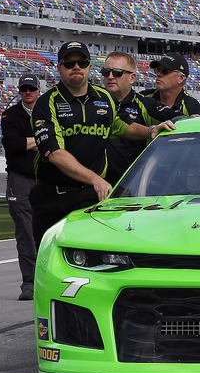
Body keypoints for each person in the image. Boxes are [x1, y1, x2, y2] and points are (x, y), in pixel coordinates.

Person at [29, 41, 175, 248]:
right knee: (47, 260)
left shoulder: (104, 97)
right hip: (53, 196)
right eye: (69, 63)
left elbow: (120, 127)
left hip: (91, 196)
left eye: (82, 62)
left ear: (89, 67)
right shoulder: (47, 102)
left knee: (94, 257)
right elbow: (55, 153)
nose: (76, 67)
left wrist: (150, 130)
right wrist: (96, 179)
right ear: (59, 68)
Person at [100, 51, 177, 184]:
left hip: (130, 188)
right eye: (106, 72)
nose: (111, 76)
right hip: (94, 187)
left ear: (132, 77)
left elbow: (179, 119)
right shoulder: (91, 103)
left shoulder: (145, 104)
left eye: (117, 72)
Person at [0, 73, 40, 300]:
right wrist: (40, 140)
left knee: (47, 232)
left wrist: (29, 142)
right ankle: (29, 284)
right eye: (24, 89)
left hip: (46, 178)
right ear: (20, 91)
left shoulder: (47, 111)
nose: (28, 93)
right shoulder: (11, 115)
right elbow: (13, 144)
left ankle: (49, 281)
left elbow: (59, 138)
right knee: (25, 233)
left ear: (37, 90)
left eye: (31, 89)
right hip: (20, 180)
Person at [139, 52, 200, 117]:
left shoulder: (192, 106)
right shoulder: (142, 98)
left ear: (181, 78)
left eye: (165, 71)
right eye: (157, 70)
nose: (158, 74)